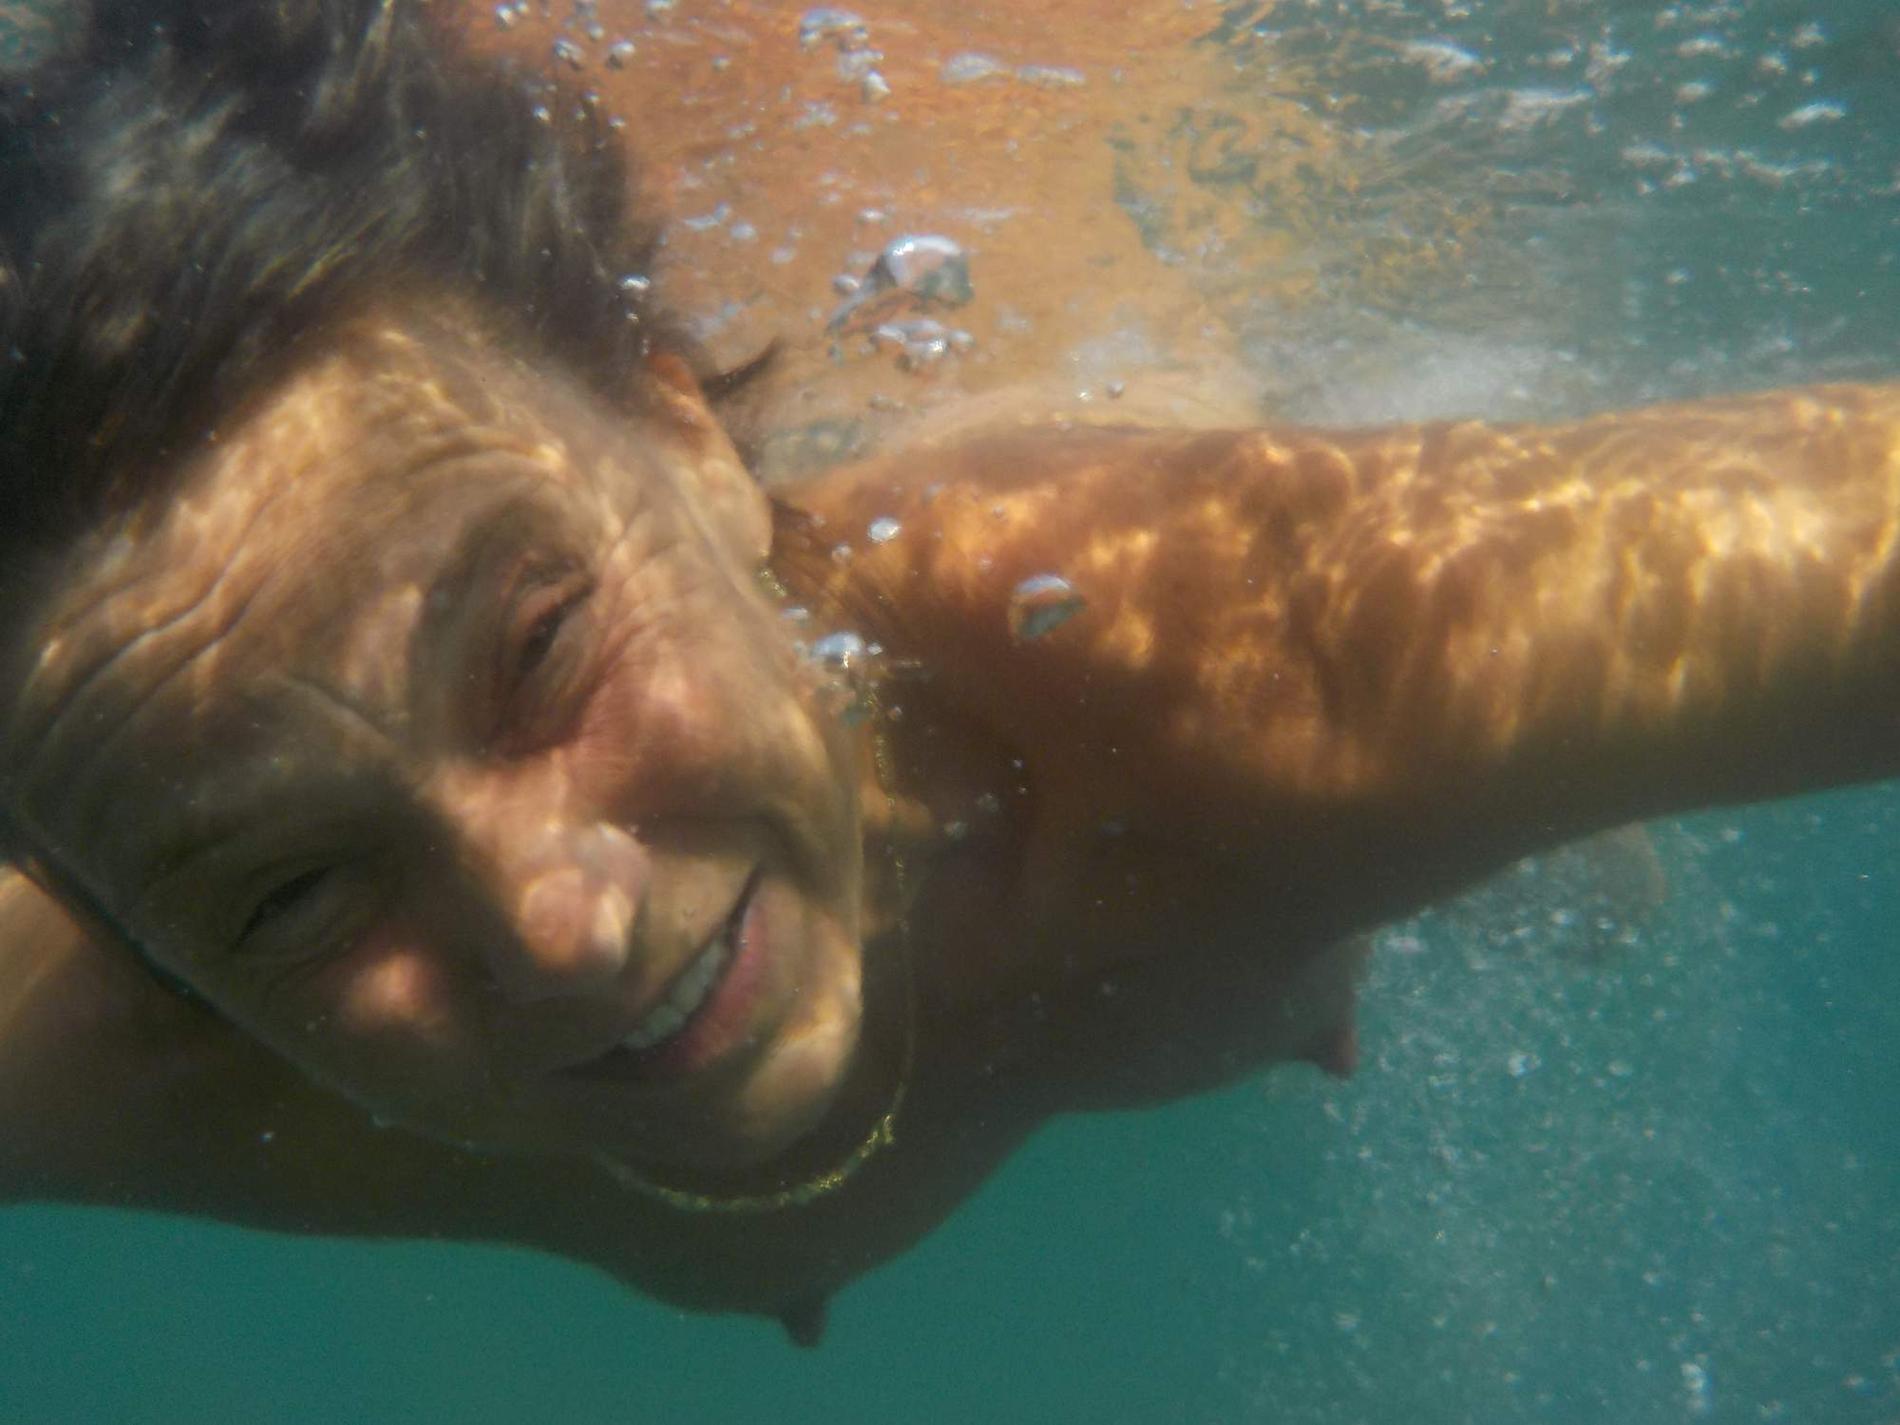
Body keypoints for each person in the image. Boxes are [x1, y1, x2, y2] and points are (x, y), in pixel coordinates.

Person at [1, 0, 1896, 1346]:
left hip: (1256, 751)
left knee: (1577, 873)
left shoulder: (1218, 658)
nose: (558, 928)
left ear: (684, 429)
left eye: (540, 650)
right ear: (129, 930)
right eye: (291, 891)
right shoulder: (142, 1036)